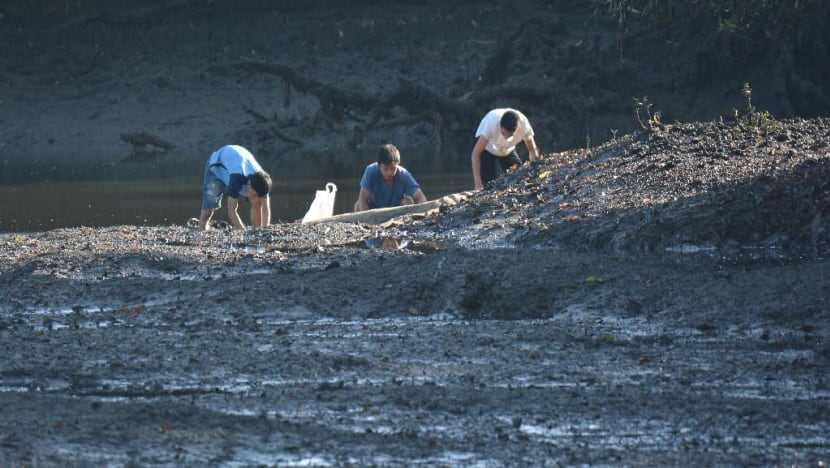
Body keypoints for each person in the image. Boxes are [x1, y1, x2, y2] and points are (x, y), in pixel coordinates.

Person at [198, 144, 272, 230]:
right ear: (249, 185)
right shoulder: (236, 178)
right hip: (216, 167)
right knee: (208, 211)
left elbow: (265, 208)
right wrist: (243, 231)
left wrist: (265, 229)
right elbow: (231, 211)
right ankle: (202, 228)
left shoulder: (263, 180)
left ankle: (256, 229)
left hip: (235, 161)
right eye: (253, 193)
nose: (253, 197)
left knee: (257, 201)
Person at [470, 108, 541, 190]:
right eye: (503, 133)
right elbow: (476, 153)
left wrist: (536, 173)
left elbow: (532, 151)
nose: (505, 137)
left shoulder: (524, 126)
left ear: (517, 128)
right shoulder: (491, 123)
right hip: (488, 148)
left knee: (519, 178)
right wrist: (478, 184)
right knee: (488, 185)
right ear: (499, 125)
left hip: (508, 150)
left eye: (509, 135)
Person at [353, 143, 427, 212]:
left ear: (397, 165)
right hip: (374, 209)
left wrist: (423, 213)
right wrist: (368, 219)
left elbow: (420, 197)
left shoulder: (403, 174)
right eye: (385, 169)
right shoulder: (371, 171)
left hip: (395, 211)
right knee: (358, 205)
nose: (389, 172)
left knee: (408, 201)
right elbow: (363, 198)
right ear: (379, 165)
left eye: (392, 168)